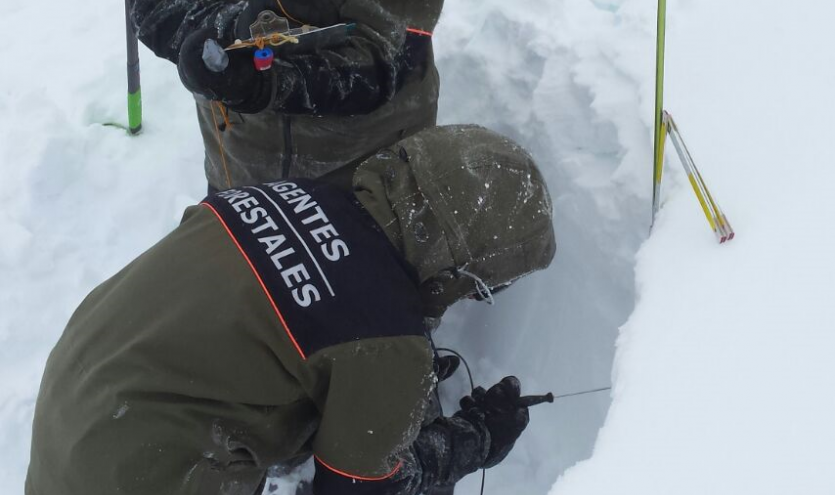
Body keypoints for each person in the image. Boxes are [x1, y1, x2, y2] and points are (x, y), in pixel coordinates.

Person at [25, 125, 555, 495]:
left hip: (75, 415)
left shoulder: (289, 196)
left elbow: (283, 321)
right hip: (140, 478)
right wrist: (471, 439)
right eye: (481, 285)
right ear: (457, 260)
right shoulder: (385, 336)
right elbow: (362, 491)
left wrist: (369, 391)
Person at [129, 0, 442, 191]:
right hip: (237, 160)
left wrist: (274, 82)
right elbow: (156, 9)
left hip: (359, 167)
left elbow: (387, 51)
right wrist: (204, 36)